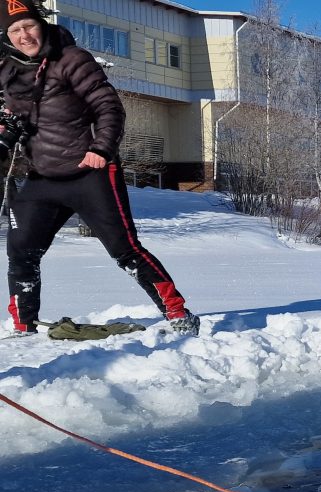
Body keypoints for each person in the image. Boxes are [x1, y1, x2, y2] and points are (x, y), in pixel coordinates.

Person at [0, 2, 198, 336]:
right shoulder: (6, 70)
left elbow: (108, 107)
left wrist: (100, 148)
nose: (24, 36)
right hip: (41, 177)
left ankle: (178, 314)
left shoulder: (72, 59)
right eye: (15, 30)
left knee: (125, 250)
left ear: (42, 26)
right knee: (21, 251)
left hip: (89, 172)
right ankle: (23, 326)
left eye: (29, 26)